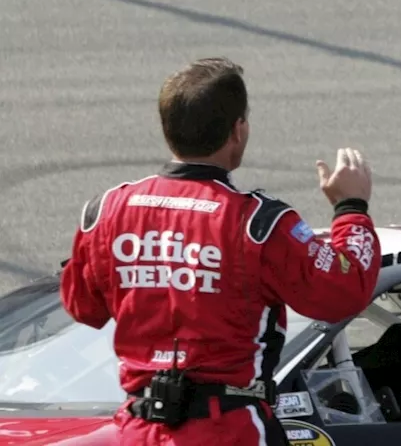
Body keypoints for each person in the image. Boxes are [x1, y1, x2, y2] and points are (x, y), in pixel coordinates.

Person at [59, 57, 382, 446]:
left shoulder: (107, 210)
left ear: (166, 128)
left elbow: (82, 306)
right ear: (238, 130)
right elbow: (343, 291)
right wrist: (351, 209)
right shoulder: (258, 223)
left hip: (137, 430)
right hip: (226, 430)